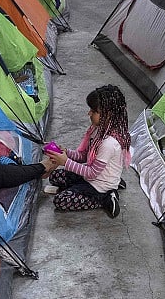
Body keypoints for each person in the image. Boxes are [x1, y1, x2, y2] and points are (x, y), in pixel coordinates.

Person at [43, 84, 131, 218]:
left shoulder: (109, 143)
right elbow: (84, 156)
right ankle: (114, 180)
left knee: (60, 201)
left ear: (108, 115)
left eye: (93, 111)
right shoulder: (97, 129)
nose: (89, 113)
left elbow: (92, 173)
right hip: (91, 178)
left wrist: (65, 162)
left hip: (98, 187)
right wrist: (66, 153)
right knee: (54, 176)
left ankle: (106, 197)